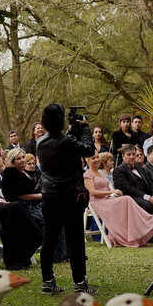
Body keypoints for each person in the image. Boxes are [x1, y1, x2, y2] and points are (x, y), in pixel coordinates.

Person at [36, 104, 99, 294]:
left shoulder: (41, 142)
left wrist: (72, 129)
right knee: (75, 239)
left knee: (49, 239)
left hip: (49, 195)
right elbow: (88, 149)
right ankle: (80, 282)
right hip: (69, 195)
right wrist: (86, 128)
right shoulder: (66, 142)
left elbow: (64, 141)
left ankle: (47, 281)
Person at [83, 152, 153, 247]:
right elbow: (93, 192)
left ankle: (139, 229)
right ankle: (150, 220)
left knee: (126, 200)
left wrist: (112, 194)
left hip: (108, 200)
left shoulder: (100, 173)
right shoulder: (87, 174)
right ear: (87, 161)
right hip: (98, 202)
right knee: (126, 199)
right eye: (93, 158)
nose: (96, 160)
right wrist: (112, 192)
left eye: (97, 157)